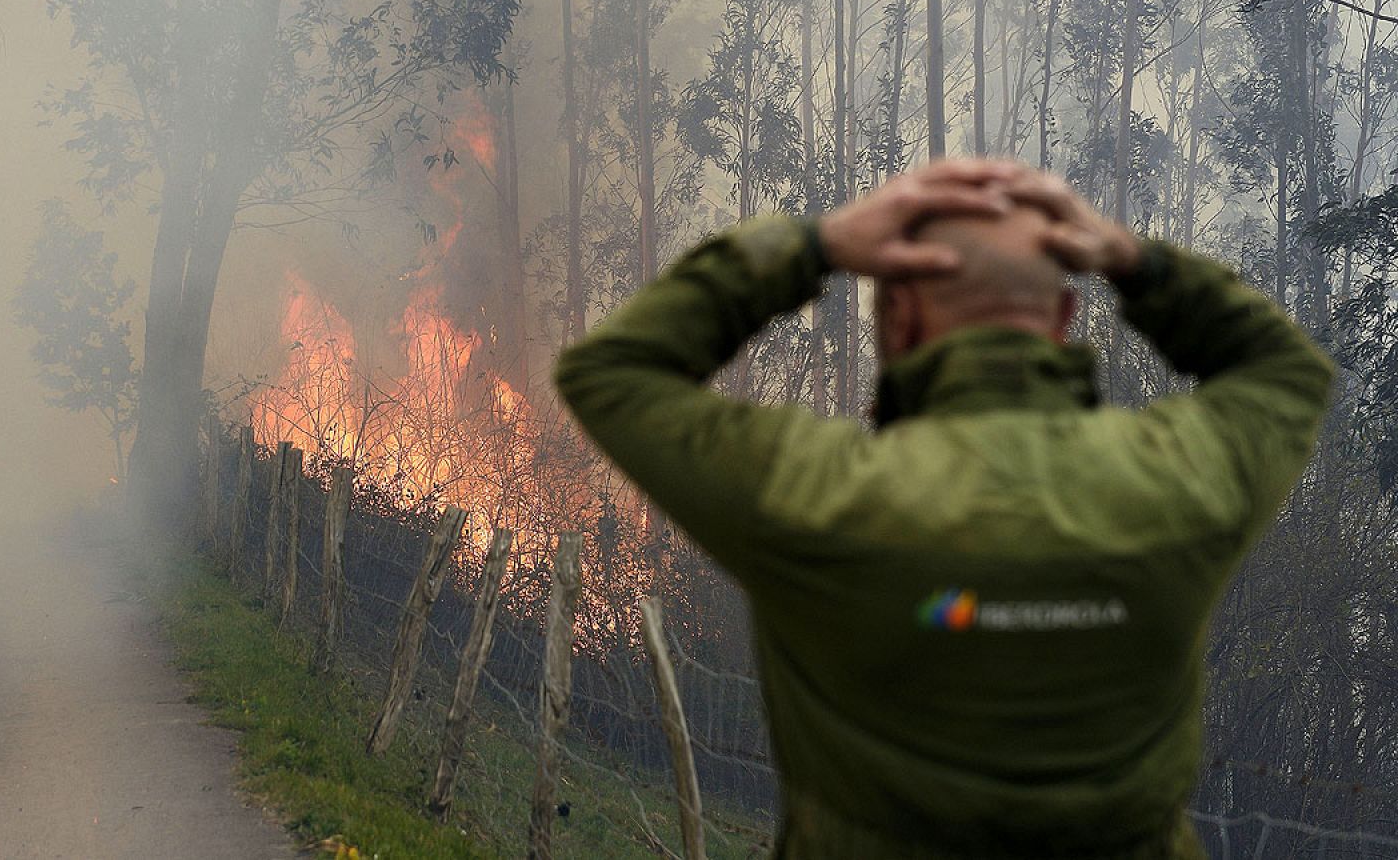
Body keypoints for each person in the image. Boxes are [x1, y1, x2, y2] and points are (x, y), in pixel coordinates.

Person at [553, 159, 1335, 858]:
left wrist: (814, 246)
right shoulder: (1181, 482)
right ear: (1063, 320)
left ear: (898, 318)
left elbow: (612, 373)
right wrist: (1138, 261)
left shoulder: (818, 493)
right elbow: (1288, 372)